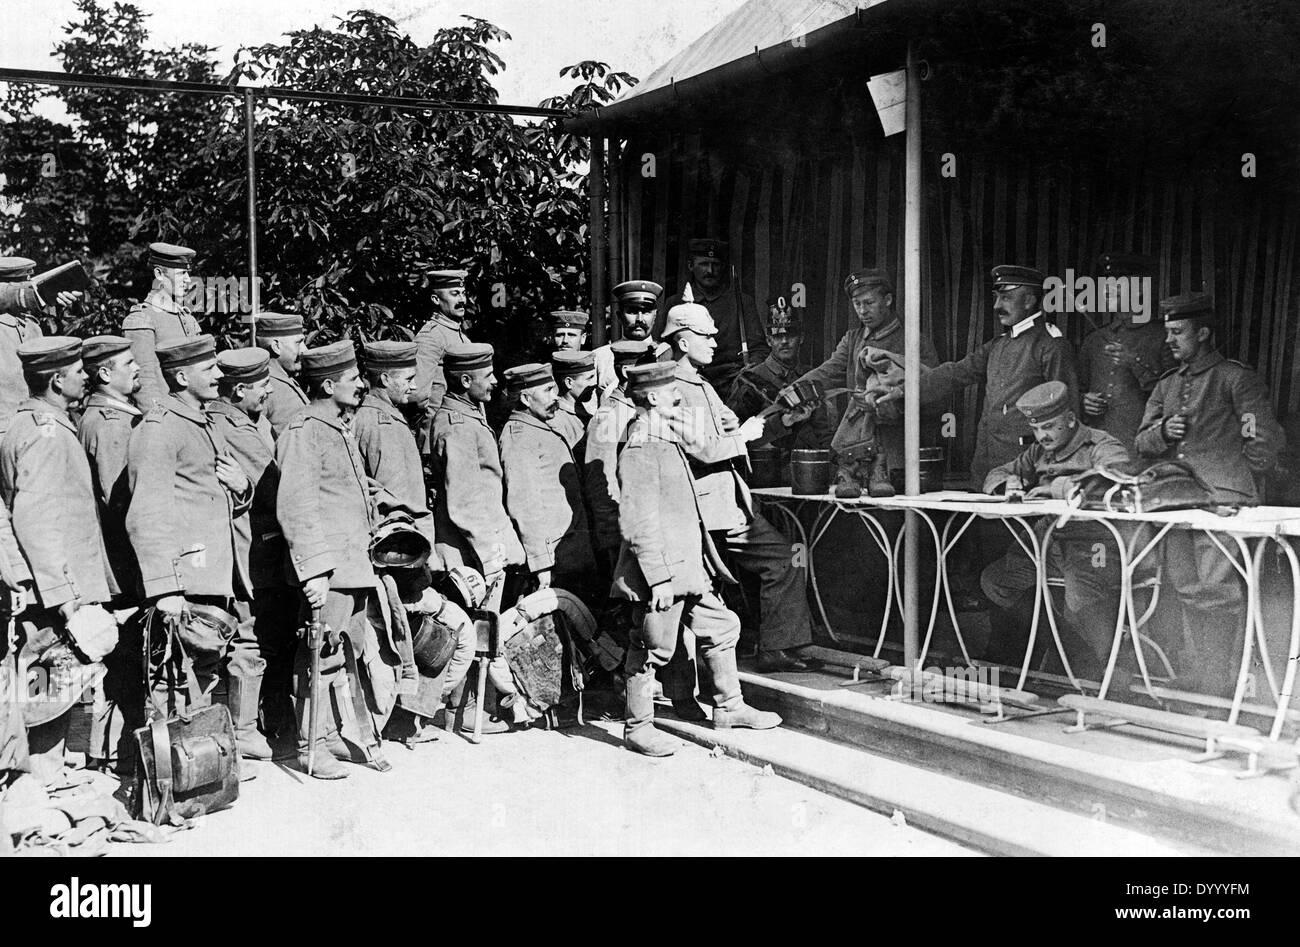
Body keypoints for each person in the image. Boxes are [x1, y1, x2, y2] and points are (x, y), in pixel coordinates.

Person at [613, 361, 781, 757]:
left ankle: (729, 706)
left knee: (722, 626)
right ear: (653, 397)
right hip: (664, 572)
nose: (678, 395)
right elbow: (638, 522)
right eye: (672, 390)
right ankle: (637, 727)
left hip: (688, 566)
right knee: (652, 646)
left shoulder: (664, 434)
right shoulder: (641, 445)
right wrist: (657, 579)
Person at [1135, 291, 1286, 696]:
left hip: (1223, 503)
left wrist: (1238, 480)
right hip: (1177, 501)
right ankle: (1199, 679)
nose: (1169, 341)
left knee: (1217, 592)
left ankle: (1218, 684)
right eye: (1167, 332)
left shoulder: (1235, 378)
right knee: (1186, 589)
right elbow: (1142, 442)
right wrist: (1163, 432)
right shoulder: (1167, 386)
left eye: (1177, 332)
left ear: (1203, 333)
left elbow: (1262, 437)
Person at [663, 300, 818, 674]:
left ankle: (776, 647)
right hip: (703, 510)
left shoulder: (701, 384)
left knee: (785, 559)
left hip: (727, 504)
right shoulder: (672, 388)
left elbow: (736, 434)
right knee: (702, 593)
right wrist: (744, 434)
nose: (716, 342)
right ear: (683, 342)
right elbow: (701, 448)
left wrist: (782, 424)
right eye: (706, 335)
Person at [276, 340, 400, 777]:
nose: (361, 385)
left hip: (353, 564)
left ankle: (328, 736)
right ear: (328, 384)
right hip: (329, 569)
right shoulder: (304, 429)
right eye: (352, 379)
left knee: (341, 651)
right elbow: (297, 503)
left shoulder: (335, 425)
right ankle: (310, 745)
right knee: (318, 652)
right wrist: (313, 570)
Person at [0, 338, 114, 778]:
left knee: (55, 683)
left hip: (57, 584)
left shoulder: (40, 424)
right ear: (55, 380)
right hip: (54, 591)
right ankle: (42, 779)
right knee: (49, 684)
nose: (86, 376)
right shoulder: (44, 434)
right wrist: (64, 595)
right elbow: (36, 519)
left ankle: (45, 777)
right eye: (78, 371)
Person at [125, 335, 252, 716]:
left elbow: (211, 494)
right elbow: (146, 513)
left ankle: (198, 764)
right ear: (181, 377)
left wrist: (242, 487)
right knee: (171, 678)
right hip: (184, 579)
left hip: (211, 575)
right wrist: (165, 588)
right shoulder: (159, 428)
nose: (219, 375)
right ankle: (167, 770)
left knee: (202, 671)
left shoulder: (203, 421)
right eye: (209, 369)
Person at [979, 381, 1134, 675]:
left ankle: (1115, 673)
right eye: (1036, 428)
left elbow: (1115, 482)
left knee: (1080, 599)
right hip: (1046, 540)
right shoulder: (1039, 452)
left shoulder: (1101, 445)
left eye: (1049, 426)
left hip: (1096, 541)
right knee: (996, 580)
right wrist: (1008, 484)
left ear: (1071, 419)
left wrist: (1058, 488)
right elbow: (998, 472)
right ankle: (1051, 646)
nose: (1042, 435)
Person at [909, 265, 1078, 486]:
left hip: (1027, 470)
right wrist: (903, 390)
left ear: (1028, 301)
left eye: (1006, 298)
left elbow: (1067, 415)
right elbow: (956, 373)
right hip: (985, 466)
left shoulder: (1050, 345)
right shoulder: (998, 345)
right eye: (996, 297)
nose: (997, 305)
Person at [788, 268, 940, 497]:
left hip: (898, 458)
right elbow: (827, 372)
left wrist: (893, 406)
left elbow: (935, 396)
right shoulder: (853, 340)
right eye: (857, 304)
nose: (862, 311)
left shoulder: (913, 341)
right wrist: (792, 390)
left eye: (869, 303)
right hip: (855, 459)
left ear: (888, 300)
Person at [207, 347, 291, 760]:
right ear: (239, 389)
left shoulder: (248, 419)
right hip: (252, 546)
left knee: (265, 633)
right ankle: (243, 729)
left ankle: (263, 721)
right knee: (249, 634)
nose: (269, 391)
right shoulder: (232, 426)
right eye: (262, 386)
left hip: (264, 543)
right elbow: (274, 483)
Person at [76, 335, 145, 771]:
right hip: (123, 563)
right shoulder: (110, 422)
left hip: (118, 562)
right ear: (104, 374)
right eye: (128, 363)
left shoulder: (111, 415)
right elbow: (122, 500)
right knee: (126, 658)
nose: (138, 368)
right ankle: (123, 754)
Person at [428, 342, 525, 612]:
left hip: (478, 549)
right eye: (489, 375)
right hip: (471, 554)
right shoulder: (457, 427)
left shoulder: (468, 415)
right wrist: (494, 556)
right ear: (466, 380)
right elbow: (465, 502)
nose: (495, 381)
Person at [499, 363, 598, 599]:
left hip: (571, 548)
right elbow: (524, 505)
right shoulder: (519, 437)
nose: (555, 398)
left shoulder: (539, 426)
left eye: (555, 390)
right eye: (547, 391)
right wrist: (541, 564)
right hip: (555, 559)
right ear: (525, 398)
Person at [1078, 253, 1175, 452]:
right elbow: (1078, 388)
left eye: (1117, 285)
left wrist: (1134, 362)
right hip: (1096, 447)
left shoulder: (1164, 337)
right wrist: (1083, 401)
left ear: (1140, 289)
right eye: (1105, 284)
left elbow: (1175, 396)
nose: (1107, 290)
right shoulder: (1093, 340)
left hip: (1140, 448)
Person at [656, 238, 767, 390]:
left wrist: (750, 369)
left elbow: (759, 349)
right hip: (687, 382)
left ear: (723, 267)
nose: (710, 271)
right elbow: (662, 346)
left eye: (715, 265)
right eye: (703, 264)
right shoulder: (675, 304)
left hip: (733, 382)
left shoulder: (741, 302)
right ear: (690, 265)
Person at [727, 300, 830, 460]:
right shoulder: (750, 380)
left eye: (790, 335)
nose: (784, 341)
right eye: (777, 336)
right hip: (768, 470)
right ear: (768, 340)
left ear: (801, 338)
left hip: (809, 467)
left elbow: (823, 432)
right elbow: (733, 436)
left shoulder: (811, 377)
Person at [353, 340, 435, 543]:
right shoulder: (383, 426)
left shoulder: (375, 415)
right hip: (404, 541)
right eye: (409, 379)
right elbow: (397, 500)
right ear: (385, 379)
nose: (414, 386)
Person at [585, 340, 655, 566]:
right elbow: (599, 481)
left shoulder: (640, 407)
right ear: (627, 372)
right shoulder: (610, 416)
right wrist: (612, 540)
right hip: (625, 533)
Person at [122, 242, 203, 412]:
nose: (188, 280)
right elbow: (144, 381)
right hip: (167, 419)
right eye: (182, 273)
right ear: (159, 274)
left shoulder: (187, 318)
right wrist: (158, 422)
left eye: (188, 273)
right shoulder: (142, 319)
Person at [413, 268, 471, 430]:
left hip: (463, 428)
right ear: (436, 299)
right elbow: (417, 395)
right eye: (454, 294)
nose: (462, 300)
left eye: (463, 293)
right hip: (440, 430)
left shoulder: (461, 335)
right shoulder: (430, 336)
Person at [593, 280, 661, 396]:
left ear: (655, 316)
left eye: (646, 312)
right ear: (619, 316)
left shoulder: (665, 354)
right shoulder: (600, 357)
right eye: (632, 312)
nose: (640, 319)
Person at [253, 312, 309, 438]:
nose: (304, 350)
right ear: (276, 347)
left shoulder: (285, 379)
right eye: (298, 342)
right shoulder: (265, 387)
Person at [549, 349, 598, 454]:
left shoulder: (581, 411)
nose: (595, 383)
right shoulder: (556, 421)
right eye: (590, 378)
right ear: (569, 382)